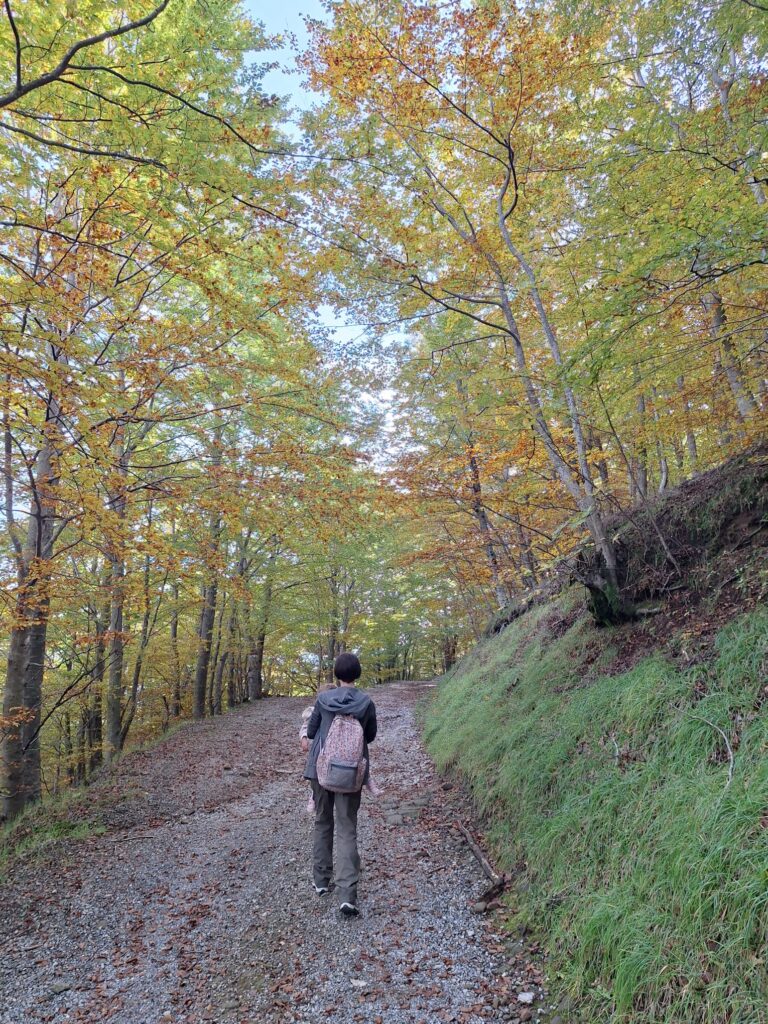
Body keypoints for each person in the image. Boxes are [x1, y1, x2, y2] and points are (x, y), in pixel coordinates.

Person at [303, 652, 377, 917]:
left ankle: (322, 882)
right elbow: (370, 736)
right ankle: (347, 896)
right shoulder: (366, 702)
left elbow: (311, 732)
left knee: (323, 822)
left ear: (336, 674)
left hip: (321, 771)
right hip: (351, 774)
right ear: (357, 674)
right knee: (347, 828)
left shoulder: (323, 699)